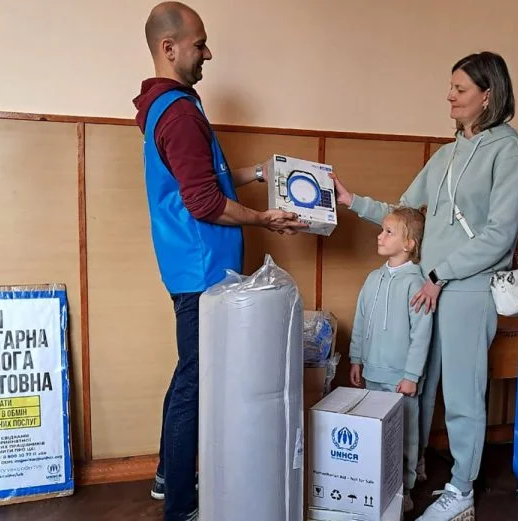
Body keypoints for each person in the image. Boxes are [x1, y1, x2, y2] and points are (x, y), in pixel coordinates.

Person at [331, 51, 518, 521]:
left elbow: (500, 234)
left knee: (462, 394)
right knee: (418, 386)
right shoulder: (446, 154)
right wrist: (351, 200)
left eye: (460, 89)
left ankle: (461, 492)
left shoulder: (507, 152)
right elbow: (404, 213)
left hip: (466, 288)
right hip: (429, 288)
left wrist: (441, 275)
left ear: (488, 96)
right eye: (451, 87)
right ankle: (412, 469)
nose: (449, 97)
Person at [133, 3, 306, 520]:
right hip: (202, 270)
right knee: (195, 382)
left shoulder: (168, 107)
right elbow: (205, 203)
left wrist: (256, 172)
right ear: (169, 48)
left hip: (191, 264)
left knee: (188, 372)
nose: (208, 53)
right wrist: (264, 219)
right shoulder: (180, 113)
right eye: (200, 44)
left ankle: (168, 475)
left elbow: (202, 179)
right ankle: (181, 506)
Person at [348, 206, 433, 513]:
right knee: (377, 433)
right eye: (381, 230)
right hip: (372, 372)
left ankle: (405, 487)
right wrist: (356, 358)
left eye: (388, 232)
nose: (379, 236)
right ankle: (378, 484)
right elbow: (360, 320)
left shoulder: (416, 283)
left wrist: (411, 375)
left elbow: (422, 334)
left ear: (409, 244)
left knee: (405, 434)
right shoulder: (373, 278)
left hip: (401, 378)